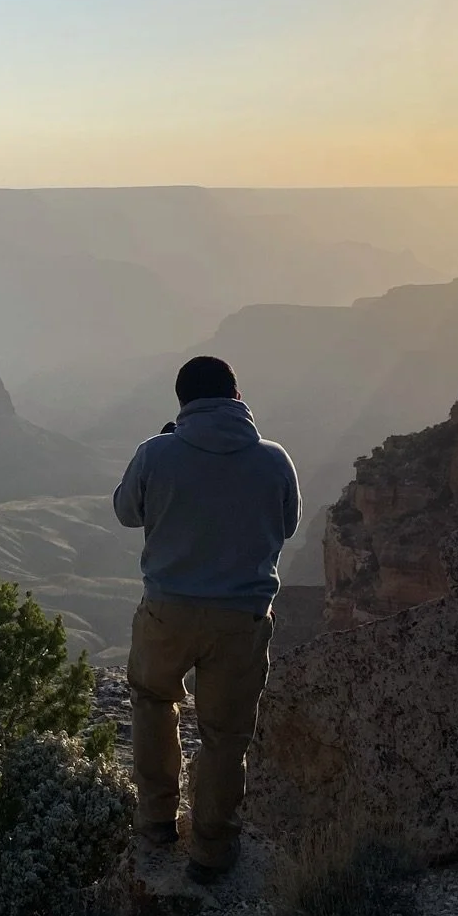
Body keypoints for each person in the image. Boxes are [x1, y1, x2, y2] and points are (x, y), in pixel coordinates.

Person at [112, 354, 300, 882]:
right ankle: (213, 848)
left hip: (167, 611)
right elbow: (287, 525)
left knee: (153, 705)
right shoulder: (274, 459)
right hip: (241, 616)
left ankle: (156, 822)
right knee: (225, 733)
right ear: (237, 397)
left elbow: (127, 512)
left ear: (182, 404)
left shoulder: (156, 453)